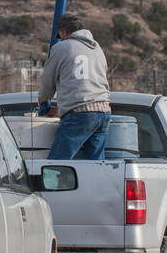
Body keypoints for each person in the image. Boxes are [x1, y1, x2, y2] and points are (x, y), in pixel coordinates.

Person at [38, 13, 112, 160]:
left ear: (64, 32)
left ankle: (51, 184)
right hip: (104, 111)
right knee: (95, 165)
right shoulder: (97, 48)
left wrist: (43, 100)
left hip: (79, 112)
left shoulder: (61, 48)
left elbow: (47, 81)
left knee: (57, 164)